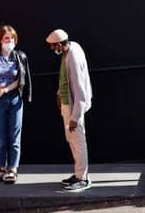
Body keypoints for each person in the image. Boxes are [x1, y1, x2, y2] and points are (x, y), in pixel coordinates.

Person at [0, 25, 32, 184]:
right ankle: (2, 168)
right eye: (6, 38)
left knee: (14, 137)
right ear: (0, 40)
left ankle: (12, 169)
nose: (10, 41)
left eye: (12, 38)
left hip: (14, 99)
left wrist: (4, 90)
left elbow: (20, 80)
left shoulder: (20, 56)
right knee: (1, 137)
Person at [46, 29, 93, 192]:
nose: (52, 50)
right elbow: (66, 78)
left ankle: (83, 178)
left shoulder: (73, 56)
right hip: (68, 105)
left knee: (78, 142)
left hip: (74, 108)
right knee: (72, 140)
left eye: (53, 47)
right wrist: (60, 94)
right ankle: (78, 173)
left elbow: (79, 89)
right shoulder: (71, 48)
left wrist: (75, 116)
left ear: (59, 44)